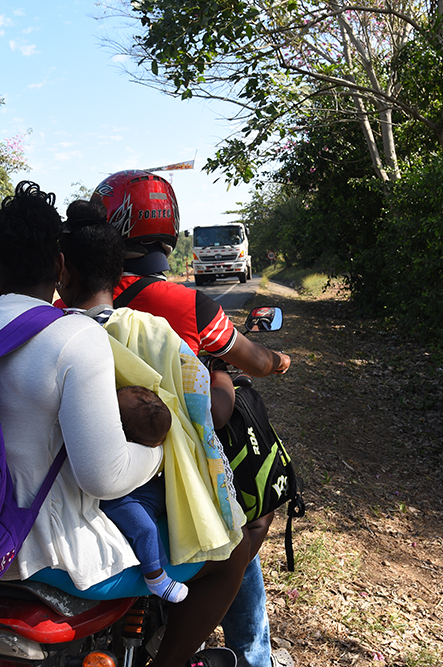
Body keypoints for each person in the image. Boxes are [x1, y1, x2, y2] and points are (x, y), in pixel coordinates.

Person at [0, 182, 248, 667]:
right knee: (232, 555)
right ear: (58, 268)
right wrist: (161, 450)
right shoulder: (75, 337)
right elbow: (103, 475)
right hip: (58, 557)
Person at [91, 170, 293, 667]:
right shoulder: (186, 304)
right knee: (249, 521)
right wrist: (276, 362)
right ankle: (246, 655)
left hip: (94, 460)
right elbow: (255, 364)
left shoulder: (72, 302)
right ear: (170, 228)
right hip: (169, 466)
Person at [103, 385, 187, 603]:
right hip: (122, 499)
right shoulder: (118, 448)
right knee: (145, 529)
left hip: (148, 491)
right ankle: (156, 578)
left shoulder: (137, 432)